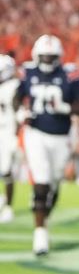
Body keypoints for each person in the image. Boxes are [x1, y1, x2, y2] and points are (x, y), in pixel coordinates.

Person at [13, 35, 79, 255]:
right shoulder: (26, 71)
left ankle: (42, 216)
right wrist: (20, 112)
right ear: (36, 56)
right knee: (43, 182)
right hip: (35, 133)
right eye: (44, 56)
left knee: (54, 184)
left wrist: (64, 108)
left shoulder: (69, 74)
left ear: (59, 57)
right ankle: (40, 235)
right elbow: (16, 98)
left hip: (61, 136)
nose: (47, 60)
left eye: (51, 57)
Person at [0, 54, 20, 223]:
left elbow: (17, 106)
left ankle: (8, 207)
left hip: (7, 132)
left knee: (7, 171)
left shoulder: (13, 86)